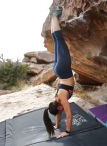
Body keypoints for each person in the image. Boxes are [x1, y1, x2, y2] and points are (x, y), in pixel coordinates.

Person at [43, 7, 75, 139]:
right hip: (58, 70)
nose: (59, 113)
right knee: (56, 40)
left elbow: (69, 115)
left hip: (63, 69)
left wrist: (66, 132)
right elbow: (59, 114)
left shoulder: (61, 99)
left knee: (59, 39)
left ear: (59, 107)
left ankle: (55, 15)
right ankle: (53, 17)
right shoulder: (57, 100)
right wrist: (56, 125)